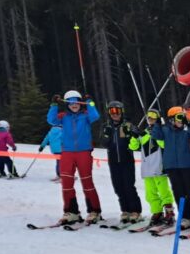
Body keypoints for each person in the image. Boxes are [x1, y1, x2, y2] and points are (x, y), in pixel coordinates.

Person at [47, 90, 102, 225]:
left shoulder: (86, 115)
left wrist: (90, 102)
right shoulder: (63, 116)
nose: (74, 105)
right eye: (70, 102)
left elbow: (95, 116)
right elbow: (51, 120)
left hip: (84, 152)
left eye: (76, 101)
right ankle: (71, 212)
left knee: (87, 183)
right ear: (67, 104)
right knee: (66, 183)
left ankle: (94, 211)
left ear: (80, 102)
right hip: (67, 152)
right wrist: (54, 105)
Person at [150, 106, 190, 230]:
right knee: (178, 192)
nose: (181, 120)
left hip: (186, 165)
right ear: (171, 119)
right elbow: (156, 136)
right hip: (171, 165)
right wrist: (157, 124)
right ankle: (185, 217)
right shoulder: (165, 130)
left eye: (183, 117)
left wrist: (189, 122)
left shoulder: (186, 130)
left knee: (189, 192)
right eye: (179, 117)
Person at [129, 109, 176, 226]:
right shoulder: (144, 132)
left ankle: (169, 212)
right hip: (146, 168)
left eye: (153, 118)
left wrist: (157, 131)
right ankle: (157, 212)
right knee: (150, 193)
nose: (151, 120)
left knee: (163, 191)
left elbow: (164, 144)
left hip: (158, 166)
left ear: (158, 119)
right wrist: (134, 136)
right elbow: (134, 147)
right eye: (149, 118)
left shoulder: (162, 130)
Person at [102, 100, 144, 224]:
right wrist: (107, 137)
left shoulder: (127, 125)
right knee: (118, 186)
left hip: (126, 160)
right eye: (112, 111)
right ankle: (125, 210)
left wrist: (132, 134)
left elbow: (137, 142)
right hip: (114, 161)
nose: (115, 114)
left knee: (128, 186)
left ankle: (135, 210)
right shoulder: (107, 127)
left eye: (117, 111)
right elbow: (104, 144)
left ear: (122, 112)